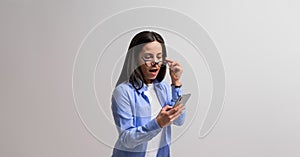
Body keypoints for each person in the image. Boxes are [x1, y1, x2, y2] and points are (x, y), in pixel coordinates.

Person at [111, 31, 186, 157]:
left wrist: (176, 83)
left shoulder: (164, 88)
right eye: (148, 57)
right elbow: (126, 139)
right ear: (135, 59)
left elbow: (179, 120)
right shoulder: (123, 91)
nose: (155, 62)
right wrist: (158, 123)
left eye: (159, 56)